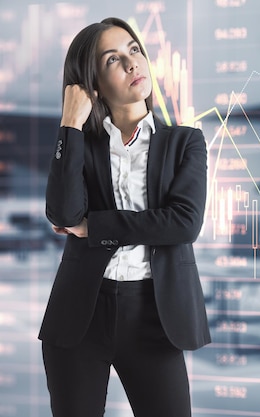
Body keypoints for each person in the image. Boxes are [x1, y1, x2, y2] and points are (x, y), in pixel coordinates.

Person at [39, 17, 211, 417]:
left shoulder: (185, 142)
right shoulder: (82, 144)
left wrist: (95, 227)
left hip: (155, 315)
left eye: (134, 50)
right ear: (93, 84)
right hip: (80, 314)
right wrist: (70, 124)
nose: (132, 63)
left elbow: (184, 223)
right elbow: (63, 213)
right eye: (113, 59)